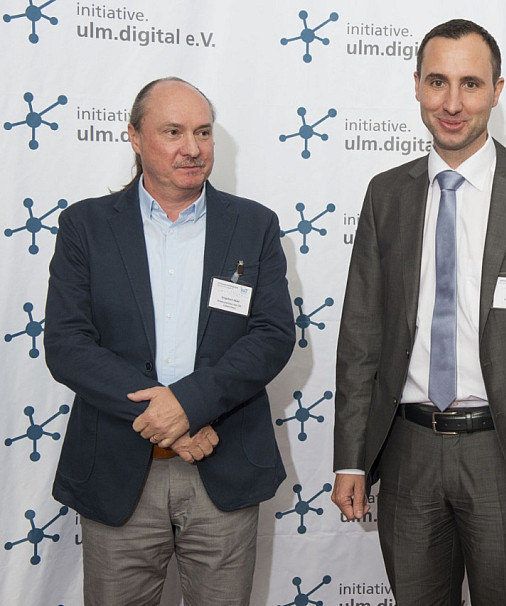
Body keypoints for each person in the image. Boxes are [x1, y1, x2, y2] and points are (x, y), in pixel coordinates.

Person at [331, 19, 506, 606]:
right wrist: (350, 459)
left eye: (471, 84)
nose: (452, 104)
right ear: (417, 86)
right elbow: (361, 337)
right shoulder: (386, 194)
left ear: (497, 91)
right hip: (407, 452)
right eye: (438, 82)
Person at [44, 77, 295, 606]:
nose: (193, 148)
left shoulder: (254, 225)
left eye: (203, 132)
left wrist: (189, 405)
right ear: (135, 137)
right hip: (119, 471)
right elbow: (68, 344)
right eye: (173, 131)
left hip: (223, 464)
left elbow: (272, 335)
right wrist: (172, 420)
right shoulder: (85, 226)